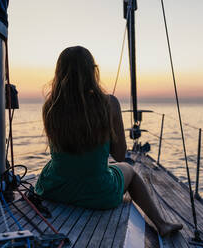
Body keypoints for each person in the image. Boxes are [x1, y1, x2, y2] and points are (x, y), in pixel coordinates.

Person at [35, 46, 182, 236]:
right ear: (93, 72)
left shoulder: (51, 106)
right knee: (130, 171)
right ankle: (161, 224)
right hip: (98, 193)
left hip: (54, 188)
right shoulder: (109, 104)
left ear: (59, 72)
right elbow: (119, 155)